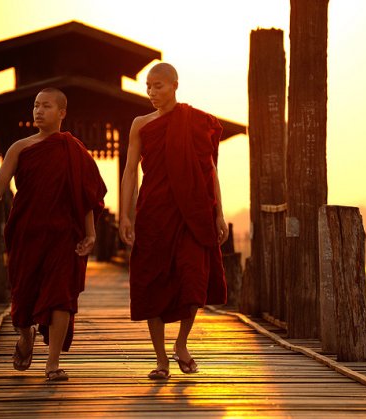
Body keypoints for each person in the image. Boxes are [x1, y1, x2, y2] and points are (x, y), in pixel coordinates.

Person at [0, 88, 107, 382]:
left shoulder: (75, 151)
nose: (38, 111)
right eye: (35, 106)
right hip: (27, 232)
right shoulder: (21, 148)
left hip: (64, 235)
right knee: (23, 299)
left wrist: (91, 233)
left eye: (46, 106)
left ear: (61, 113)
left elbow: (86, 196)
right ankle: (25, 335)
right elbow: (0, 182)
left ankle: (53, 363)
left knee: (61, 296)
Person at [119, 63, 228, 380]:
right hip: (154, 213)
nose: (152, 93)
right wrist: (126, 215)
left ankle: (181, 343)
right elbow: (130, 171)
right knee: (152, 281)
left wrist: (219, 212)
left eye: (159, 86)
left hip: (193, 213)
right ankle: (161, 359)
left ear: (175, 85)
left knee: (193, 278)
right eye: (148, 87)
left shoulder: (197, 122)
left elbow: (210, 171)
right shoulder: (141, 124)